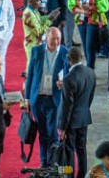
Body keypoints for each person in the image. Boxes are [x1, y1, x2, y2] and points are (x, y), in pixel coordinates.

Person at [24, 28, 71, 168]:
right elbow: (30, 74)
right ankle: (43, 162)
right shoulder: (36, 51)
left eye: (58, 39)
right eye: (53, 39)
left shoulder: (65, 52)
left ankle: (53, 163)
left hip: (54, 100)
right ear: (46, 39)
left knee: (53, 134)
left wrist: (65, 82)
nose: (56, 42)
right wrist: (27, 98)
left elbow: (69, 75)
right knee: (42, 133)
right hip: (37, 100)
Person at [60, 47, 97, 176]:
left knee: (69, 152)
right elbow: (90, 97)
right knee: (82, 150)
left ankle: (69, 175)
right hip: (84, 117)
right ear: (82, 57)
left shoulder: (68, 79)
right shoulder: (91, 73)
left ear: (68, 59)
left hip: (71, 122)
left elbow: (66, 106)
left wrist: (62, 127)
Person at [68, 0, 109, 72]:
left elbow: (104, 7)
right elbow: (70, 5)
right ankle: (89, 69)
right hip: (81, 22)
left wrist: (91, 7)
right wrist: (82, 11)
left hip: (94, 22)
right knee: (85, 46)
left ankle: (90, 70)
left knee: (89, 47)